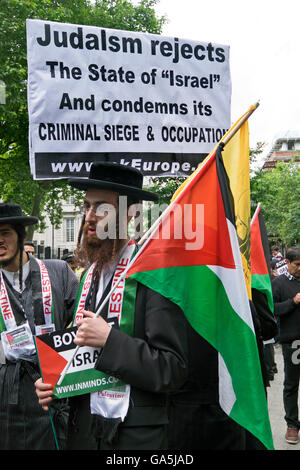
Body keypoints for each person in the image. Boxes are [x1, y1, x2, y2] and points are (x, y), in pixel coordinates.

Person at [35, 162, 188, 450]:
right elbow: (81, 353)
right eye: (86, 207)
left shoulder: (152, 276)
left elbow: (173, 369)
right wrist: (55, 382)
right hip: (84, 430)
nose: (89, 217)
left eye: (101, 208)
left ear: (130, 214)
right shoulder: (88, 277)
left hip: (134, 436)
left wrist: (109, 340)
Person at [0, 203, 79, 450]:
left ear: (22, 237)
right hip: (8, 397)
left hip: (54, 389)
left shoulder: (58, 272)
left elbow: (80, 323)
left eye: (5, 233)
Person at [272, 246, 300, 445]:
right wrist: (293, 301)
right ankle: (292, 425)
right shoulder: (279, 283)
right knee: (291, 384)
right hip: (294, 342)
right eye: (298, 265)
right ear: (288, 263)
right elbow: (272, 309)